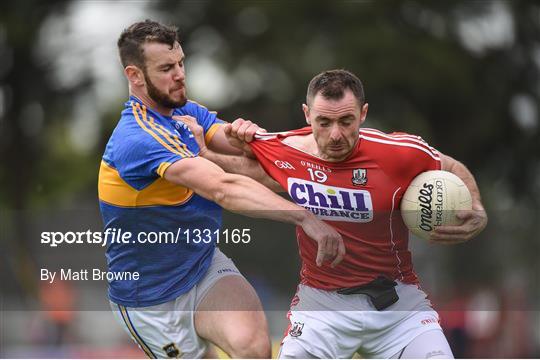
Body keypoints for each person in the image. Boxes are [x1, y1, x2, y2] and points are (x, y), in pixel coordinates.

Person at [97, 20, 344, 359]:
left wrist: (333, 148)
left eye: (181, 63)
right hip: (151, 300)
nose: (180, 74)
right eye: (167, 68)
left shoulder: (185, 111)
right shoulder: (136, 139)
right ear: (135, 76)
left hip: (202, 266)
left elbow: (253, 153)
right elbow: (223, 187)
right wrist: (305, 217)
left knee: (253, 348)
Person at [214, 69, 488, 358]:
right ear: (307, 115)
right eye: (324, 122)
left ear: (363, 113)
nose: (335, 134)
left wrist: (478, 208)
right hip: (321, 304)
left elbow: (452, 167)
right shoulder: (285, 149)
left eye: (346, 121)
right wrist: (202, 135)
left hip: (396, 305)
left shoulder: (399, 152)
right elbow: (222, 156)